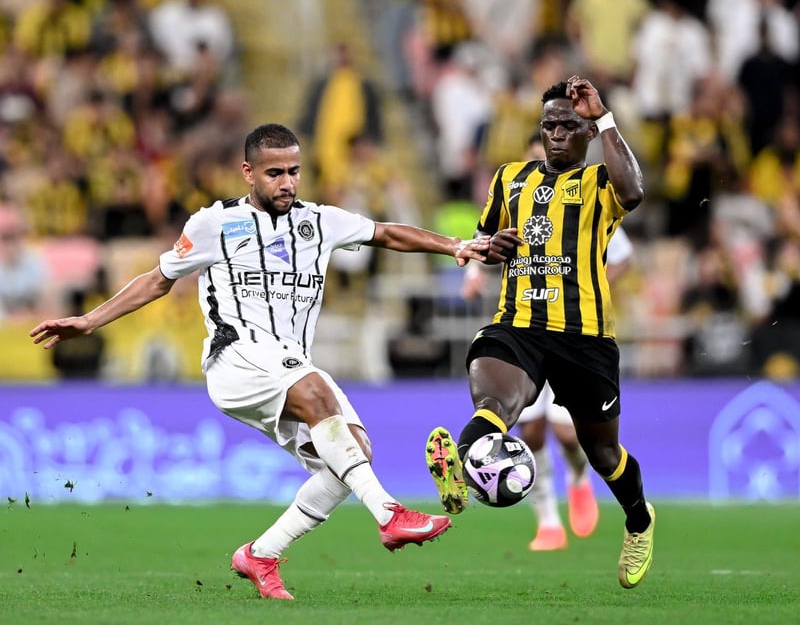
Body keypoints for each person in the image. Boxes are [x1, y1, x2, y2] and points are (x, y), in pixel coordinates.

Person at [30, 123, 490, 601]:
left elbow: (387, 233)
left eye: (294, 171)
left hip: (289, 362)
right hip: (236, 357)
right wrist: (90, 320)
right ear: (248, 172)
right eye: (275, 173)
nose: (287, 183)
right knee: (319, 397)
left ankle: (261, 554)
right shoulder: (214, 223)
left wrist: (456, 246)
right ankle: (390, 514)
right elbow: (158, 279)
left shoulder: (320, 221)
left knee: (349, 457)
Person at [425, 75, 655, 589]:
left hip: (584, 335)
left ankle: (639, 519)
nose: (555, 134)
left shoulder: (600, 181)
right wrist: (491, 248)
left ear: (587, 132)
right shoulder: (509, 178)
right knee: (497, 404)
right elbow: (483, 241)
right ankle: (459, 470)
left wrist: (604, 118)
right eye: (549, 125)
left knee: (603, 454)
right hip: (519, 325)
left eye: (568, 126)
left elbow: (634, 192)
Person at [461, 131, 634, 552]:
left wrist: (587, 284)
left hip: (575, 332)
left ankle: (578, 475)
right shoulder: (516, 191)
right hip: (526, 330)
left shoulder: (588, 196)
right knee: (533, 433)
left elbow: (622, 256)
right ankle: (548, 521)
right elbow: (486, 240)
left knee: (571, 436)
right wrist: (475, 271)